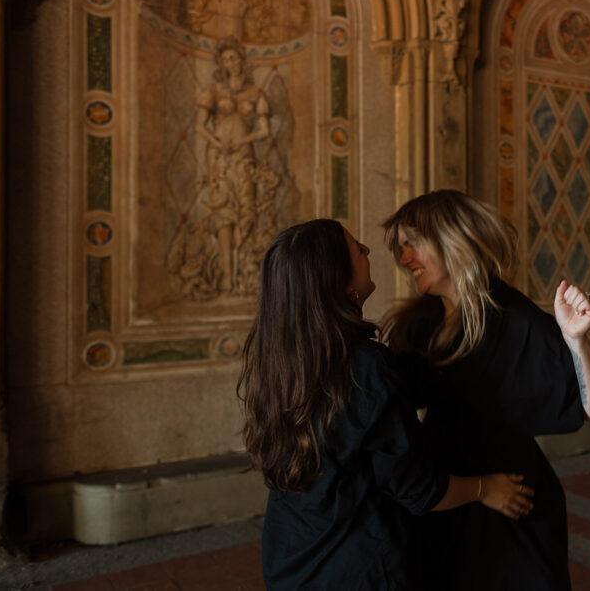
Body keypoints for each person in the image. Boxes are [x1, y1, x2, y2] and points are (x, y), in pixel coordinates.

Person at [238, 219, 534, 590]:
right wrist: (486, 488)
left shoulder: (282, 359)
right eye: (356, 249)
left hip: (292, 560)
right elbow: (420, 490)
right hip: (356, 570)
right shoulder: (364, 366)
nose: (368, 250)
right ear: (337, 278)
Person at [382, 190, 590, 591]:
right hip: (448, 499)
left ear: (450, 240)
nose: (405, 260)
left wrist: (577, 342)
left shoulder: (517, 321)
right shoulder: (418, 325)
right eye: (401, 249)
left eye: (413, 246)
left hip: (514, 505)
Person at [195, 36, 271, 294]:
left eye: (235, 57)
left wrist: (243, 140)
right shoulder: (214, 91)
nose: (231, 62)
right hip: (219, 157)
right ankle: (227, 273)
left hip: (243, 156)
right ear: (221, 63)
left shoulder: (255, 93)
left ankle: (241, 270)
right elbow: (199, 126)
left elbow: (264, 130)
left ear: (242, 60)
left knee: (246, 208)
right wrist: (217, 141)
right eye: (226, 59)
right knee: (223, 210)